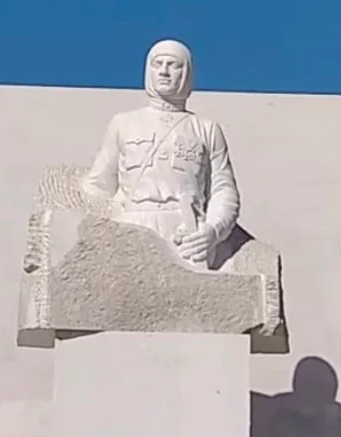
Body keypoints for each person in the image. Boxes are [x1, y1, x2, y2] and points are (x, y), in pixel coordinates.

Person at [82, 39, 240, 271]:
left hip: (185, 233)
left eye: (173, 65)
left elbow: (223, 190)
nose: (164, 71)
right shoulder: (124, 123)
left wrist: (213, 231)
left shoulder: (206, 129)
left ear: (186, 73)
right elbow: (99, 186)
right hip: (132, 224)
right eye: (158, 64)